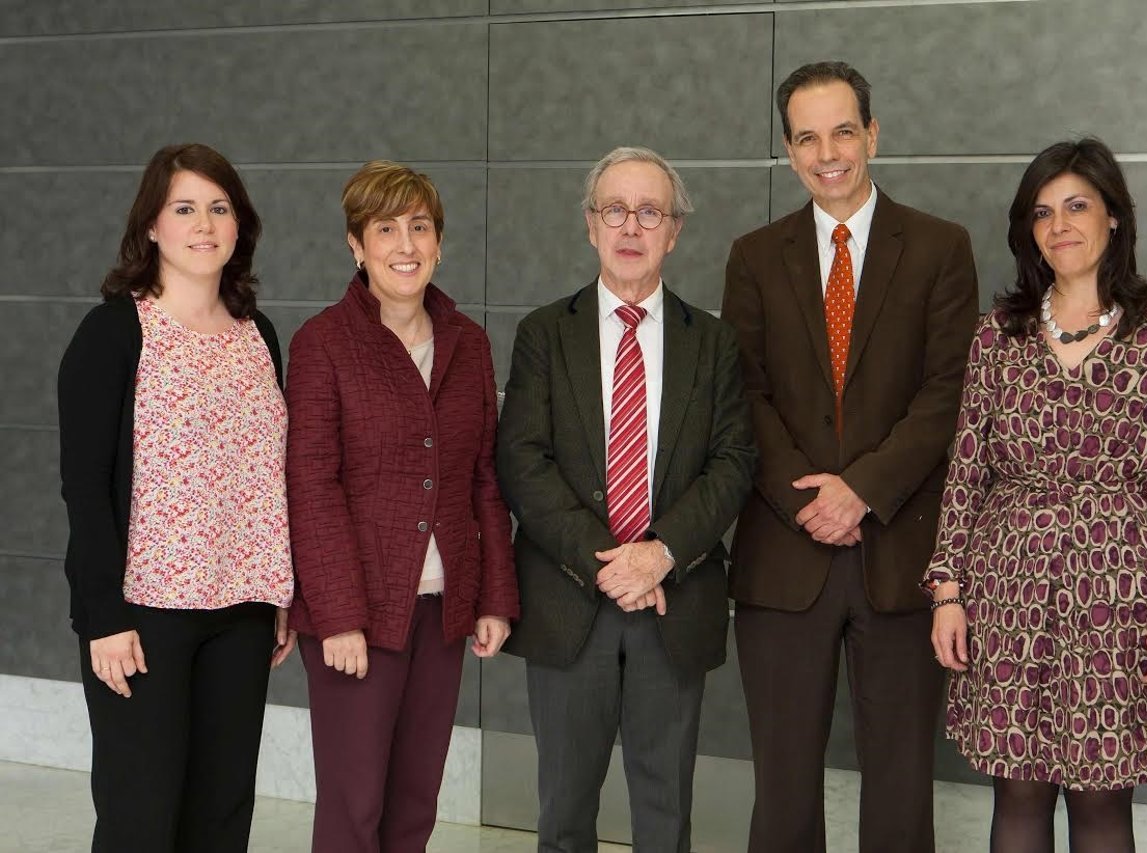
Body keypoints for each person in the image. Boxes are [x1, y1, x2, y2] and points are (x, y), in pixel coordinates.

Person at [926, 137, 1147, 852]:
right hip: (1010, 588)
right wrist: (947, 590)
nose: (1059, 225)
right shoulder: (999, 336)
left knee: (1100, 802)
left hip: (1120, 597)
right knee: (1018, 795)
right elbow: (967, 470)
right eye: (1042, 212)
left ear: (1114, 216)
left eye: (1078, 205)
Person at [721, 61, 979, 852]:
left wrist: (860, 491)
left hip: (899, 553)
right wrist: (811, 500)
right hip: (783, 554)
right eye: (806, 137)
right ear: (788, 150)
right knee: (784, 788)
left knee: (901, 789)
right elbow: (746, 396)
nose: (826, 151)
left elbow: (948, 394)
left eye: (842, 130)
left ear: (873, 133)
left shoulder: (939, 248)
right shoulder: (755, 256)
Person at [496, 146, 756, 852]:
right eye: (615, 209)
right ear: (590, 224)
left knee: (666, 816)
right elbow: (522, 459)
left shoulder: (716, 342)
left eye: (650, 212)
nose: (631, 227)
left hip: (673, 605)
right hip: (569, 600)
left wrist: (660, 556)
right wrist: (611, 561)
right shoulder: (544, 334)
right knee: (564, 817)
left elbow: (733, 463)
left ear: (674, 231)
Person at [57, 142, 295, 852]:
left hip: (243, 614)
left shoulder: (260, 336)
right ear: (152, 226)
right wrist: (102, 616)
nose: (204, 224)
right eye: (184, 208)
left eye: (219, 208)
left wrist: (278, 592)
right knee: (142, 819)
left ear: (239, 225)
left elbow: (265, 474)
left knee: (221, 818)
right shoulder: (113, 332)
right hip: (142, 617)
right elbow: (84, 485)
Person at [285, 160, 519, 853]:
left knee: (416, 804)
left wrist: (494, 597)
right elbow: (311, 484)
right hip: (359, 617)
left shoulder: (466, 342)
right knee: (354, 808)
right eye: (385, 228)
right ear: (356, 246)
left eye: (420, 226)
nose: (405, 244)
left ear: (440, 242)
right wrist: (338, 617)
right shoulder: (324, 343)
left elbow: (484, 476)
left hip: (443, 610)